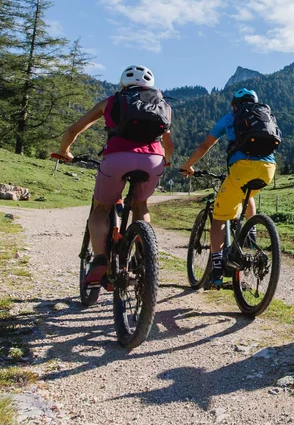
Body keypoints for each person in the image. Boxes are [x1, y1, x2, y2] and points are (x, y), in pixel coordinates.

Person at [55, 65, 173, 287]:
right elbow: (169, 144)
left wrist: (65, 151)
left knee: (101, 208)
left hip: (117, 158)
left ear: (123, 83)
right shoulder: (163, 105)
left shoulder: (112, 101)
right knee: (141, 204)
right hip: (153, 160)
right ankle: (143, 253)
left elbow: (73, 129)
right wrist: (166, 160)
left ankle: (100, 260)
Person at [180, 88, 277, 283]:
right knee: (247, 196)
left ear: (235, 105)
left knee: (218, 218)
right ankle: (251, 235)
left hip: (242, 167)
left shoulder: (230, 118)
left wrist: (188, 166)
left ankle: (216, 269)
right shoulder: (265, 116)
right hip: (269, 168)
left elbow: (204, 146)